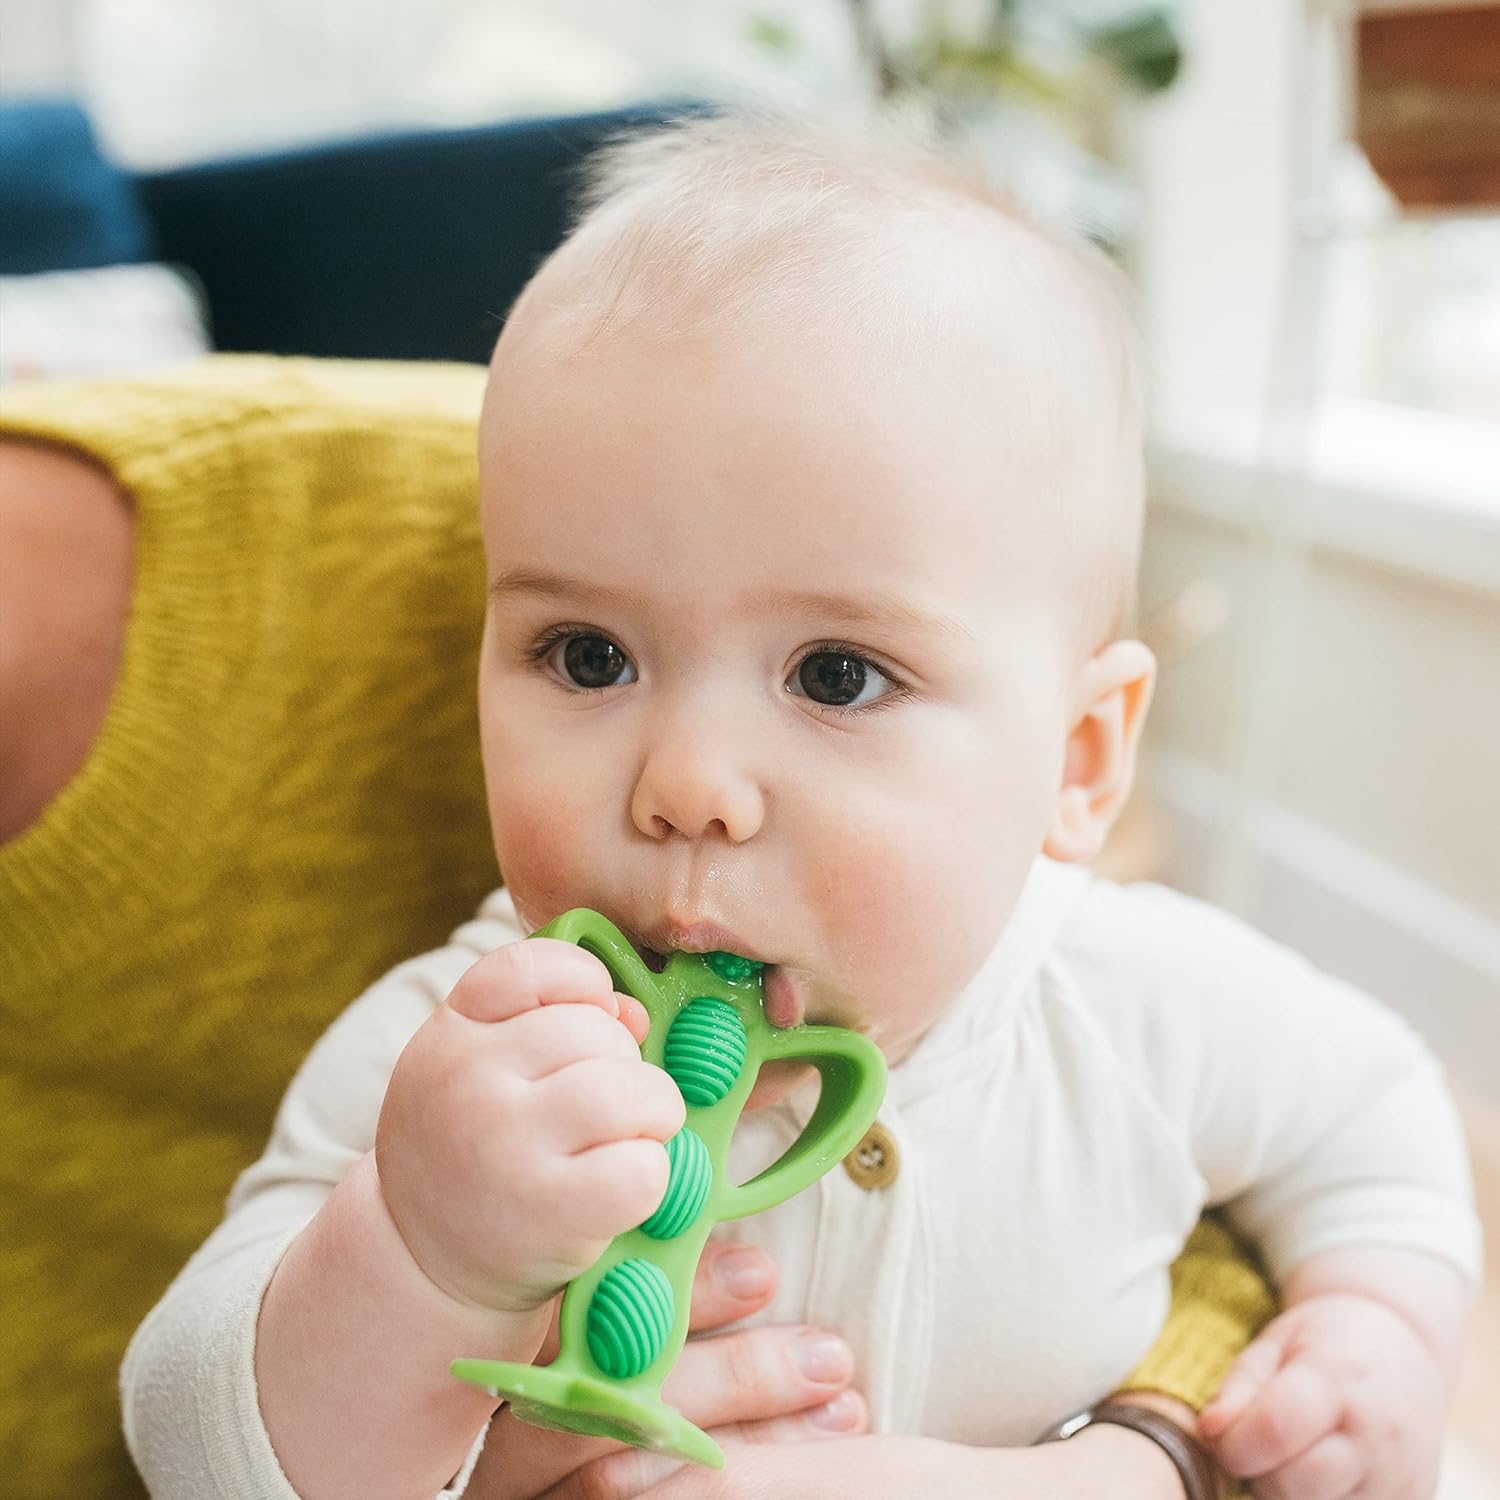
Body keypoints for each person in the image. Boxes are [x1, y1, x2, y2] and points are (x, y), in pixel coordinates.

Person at [32, 113, 1485, 1497]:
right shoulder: (460, 1064)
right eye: (587, 655)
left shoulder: (1130, 1006)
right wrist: (409, 1258)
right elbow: (192, 1450)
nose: (687, 788)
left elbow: (1377, 1119)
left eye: (838, 674)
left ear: (1080, 760)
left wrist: (1380, 1331)